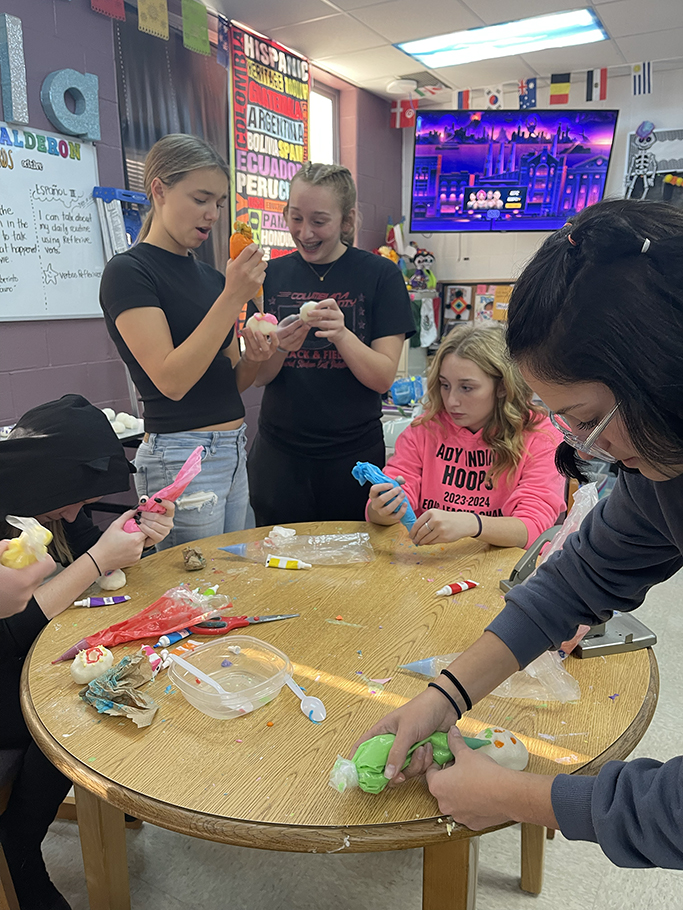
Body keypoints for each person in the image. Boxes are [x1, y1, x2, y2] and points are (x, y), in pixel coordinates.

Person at [352, 198, 683, 870]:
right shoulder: (657, 464)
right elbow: (573, 580)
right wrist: (445, 694)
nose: (586, 450)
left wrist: (523, 796)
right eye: (563, 423)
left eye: (586, 419)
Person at [0, 395, 174, 909]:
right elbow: (10, 632)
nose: (75, 511)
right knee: (69, 715)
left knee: (110, 678)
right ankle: (19, 843)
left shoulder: (54, 505)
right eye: (71, 499)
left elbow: (93, 558)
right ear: (43, 478)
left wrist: (139, 536)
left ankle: (96, 792)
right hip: (7, 659)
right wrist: (97, 559)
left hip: (27, 653)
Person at [99, 133, 274, 550]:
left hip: (232, 448)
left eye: (219, 203)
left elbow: (230, 383)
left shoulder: (213, 278)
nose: (213, 214)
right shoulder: (129, 271)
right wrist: (234, 296)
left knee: (233, 578)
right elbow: (171, 381)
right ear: (158, 188)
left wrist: (257, 355)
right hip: (179, 454)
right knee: (190, 593)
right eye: (200, 199)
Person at [247, 162, 416, 525]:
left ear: (347, 219)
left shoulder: (380, 276)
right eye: (295, 218)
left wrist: (342, 335)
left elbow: (383, 378)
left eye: (319, 221)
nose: (305, 232)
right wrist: (279, 347)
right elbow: (259, 377)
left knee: (354, 571)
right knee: (277, 567)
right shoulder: (269, 276)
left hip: (354, 461)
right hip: (280, 458)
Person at [366, 324, 564, 549]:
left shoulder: (540, 437)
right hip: (429, 559)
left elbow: (532, 528)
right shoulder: (425, 430)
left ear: (502, 387)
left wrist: (473, 524)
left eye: (466, 388)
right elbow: (381, 513)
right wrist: (383, 507)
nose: (451, 401)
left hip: (499, 565)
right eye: (445, 385)